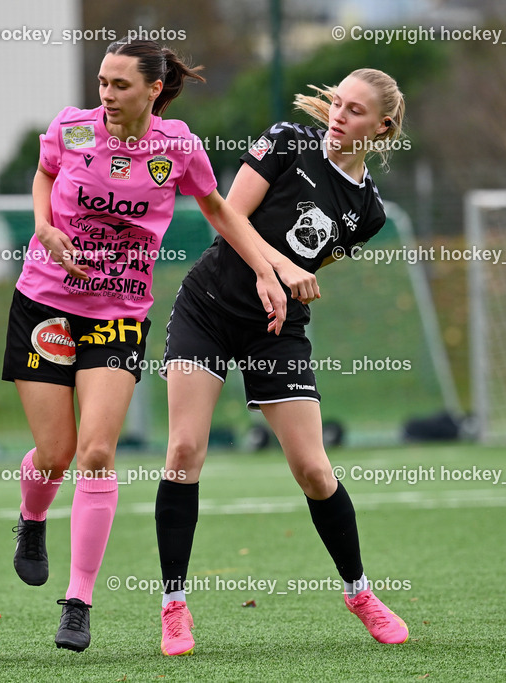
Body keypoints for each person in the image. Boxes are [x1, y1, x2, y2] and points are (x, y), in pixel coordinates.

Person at [4, 39, 289, 653]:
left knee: (97, 453)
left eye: (120, 86)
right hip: (45, 304)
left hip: (118, 315)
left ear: (153, 89)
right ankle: (31, 520)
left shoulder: (177, 147)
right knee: (53, 454)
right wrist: (44, 228)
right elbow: (46, 172)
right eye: (102, 83)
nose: (106, 96)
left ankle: (78, 602)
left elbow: (219, 208)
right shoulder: (72, 130)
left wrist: (266, 267)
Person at [154, 68, 410, 656]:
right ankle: (173, 606)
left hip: (277, 330)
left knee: (314, 470)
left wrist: (290, 280)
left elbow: (313, 265)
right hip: (209, 309)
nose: (338, 115)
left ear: (383, 126)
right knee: (185, 450)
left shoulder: (369, 213)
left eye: (355, 110)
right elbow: (228, 216)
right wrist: (280, 271)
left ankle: (359, 592)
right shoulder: (286, 142)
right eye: (337, 103)